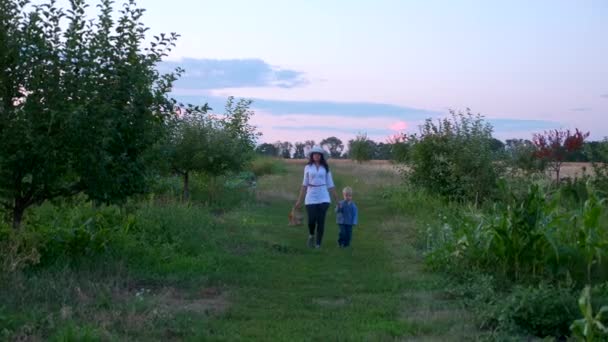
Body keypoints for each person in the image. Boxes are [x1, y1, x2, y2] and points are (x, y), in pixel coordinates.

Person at [295, 146, 340, 248]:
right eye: (315, 154)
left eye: (318, 154)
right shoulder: (307, 167)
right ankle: (311, 235)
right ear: (312, 155)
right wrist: (299, 201)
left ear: (321, 156)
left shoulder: (326, 168)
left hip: (323, 196)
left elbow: (331, 185)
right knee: (311, 220)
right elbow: (304, 185)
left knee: (320, 220)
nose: (316, 156)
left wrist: (337, 201)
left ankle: (318, 244)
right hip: (311, 196)